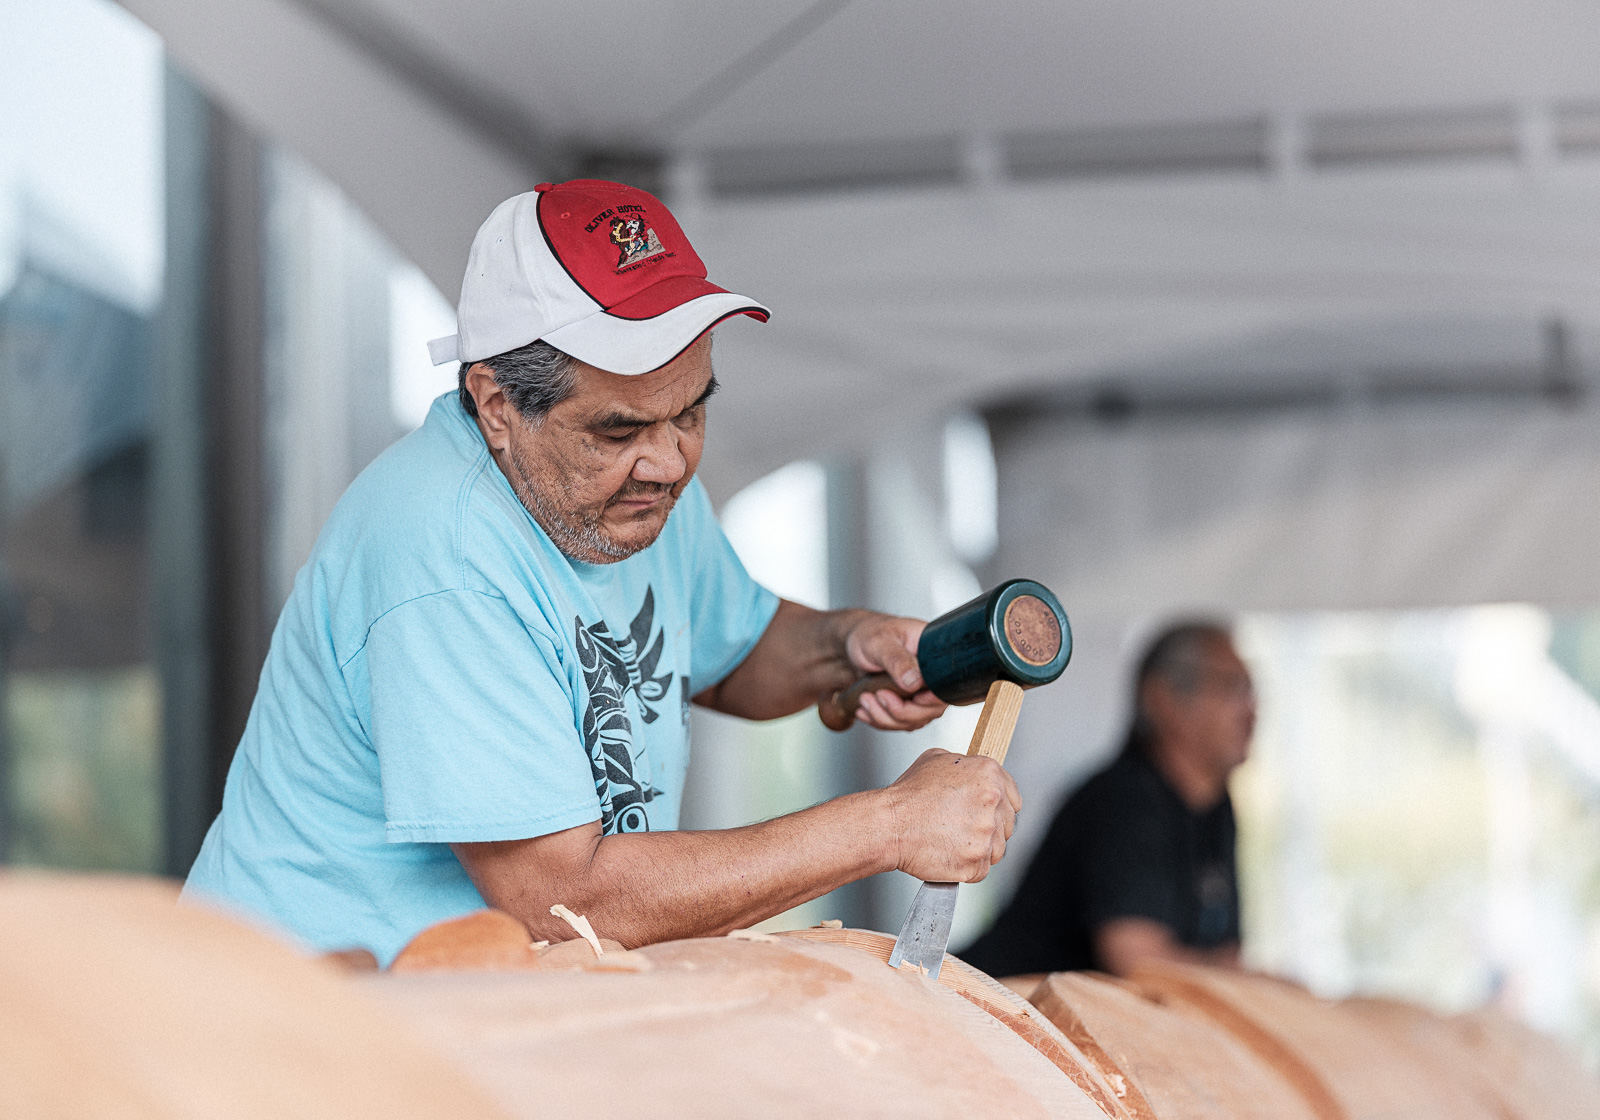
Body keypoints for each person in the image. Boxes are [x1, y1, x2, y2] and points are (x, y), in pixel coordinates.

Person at [182, 179, 1019, 965]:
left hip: (479, 1004)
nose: (668, 462)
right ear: (497, 407)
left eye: (691, 411)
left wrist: (849, 647)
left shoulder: (630, 492)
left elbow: (733, 652)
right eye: (619, 431)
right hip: (303, 1017)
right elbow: (563, 904)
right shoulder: (442, 556)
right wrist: (888, 826)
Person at [961, 622, 1254, 978]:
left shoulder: (1216, 808)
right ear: (1163, 699)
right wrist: (1257, 984)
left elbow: (1226, 952)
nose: (1251, 710)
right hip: (992, 1003)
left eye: (1251, 689)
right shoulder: (1124, 799)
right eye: (1232, 686)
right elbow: (1138, 964)